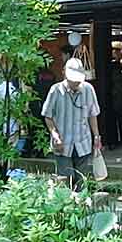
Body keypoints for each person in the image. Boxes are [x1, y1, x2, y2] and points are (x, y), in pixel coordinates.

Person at [43, 58, 102, 190]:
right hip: (62, 145)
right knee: (65, 184)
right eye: (72, 80)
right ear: (64, 73)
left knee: (83, 182)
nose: (75, 83)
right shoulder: (55, 91)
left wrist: (97, 136)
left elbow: (93, 114)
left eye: (78, 80)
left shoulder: (88, 89)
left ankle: (82, 208)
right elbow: (48, 116)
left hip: (83, 142)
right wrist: (55, 135)